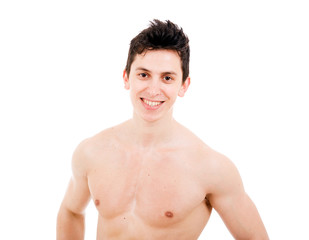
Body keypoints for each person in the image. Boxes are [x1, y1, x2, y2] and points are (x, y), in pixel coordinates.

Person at [57, 19, 269, 240]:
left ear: (183, 86)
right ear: (126, 77)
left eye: (167, 78)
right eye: (144, 74)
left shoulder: (211, 168)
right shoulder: (92, 151)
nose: (153, 89)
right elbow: (71, 211)